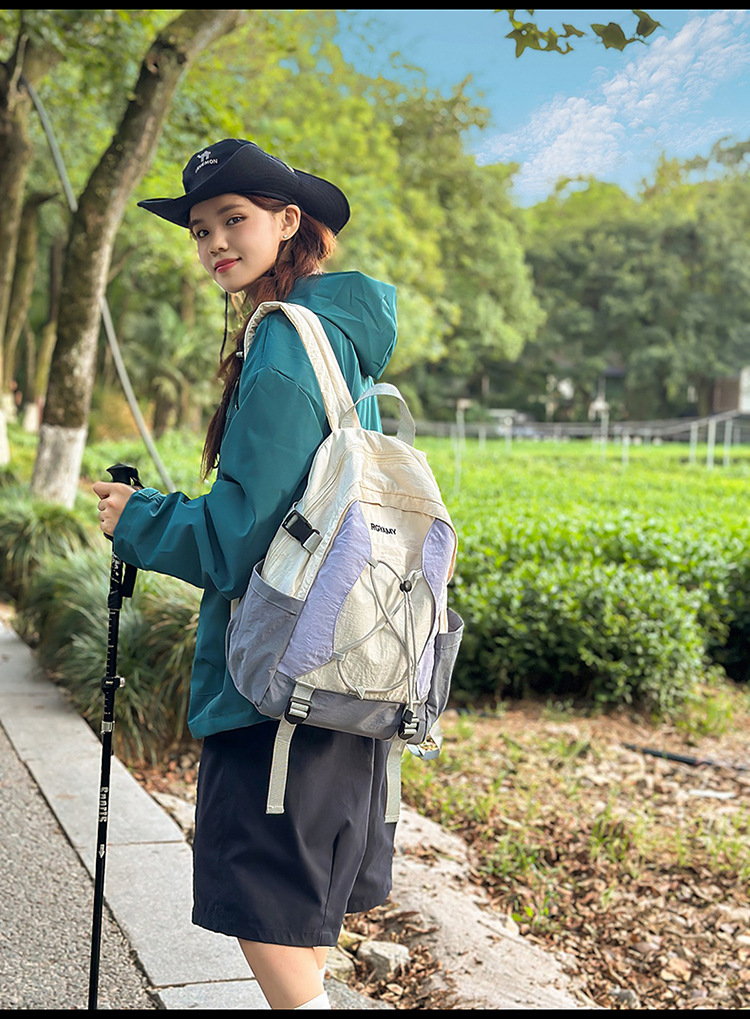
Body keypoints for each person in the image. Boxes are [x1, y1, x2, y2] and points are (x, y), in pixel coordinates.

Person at [93, 138, 398, 1010]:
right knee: (295, 911)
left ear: (288, 221)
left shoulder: (287, 346)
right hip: (349, 662)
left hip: (276, 680)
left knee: (261, 901)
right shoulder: (342, 342)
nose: (214, 243)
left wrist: (138, 519)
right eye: (200, 229)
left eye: (234, 219)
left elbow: (240, 537)